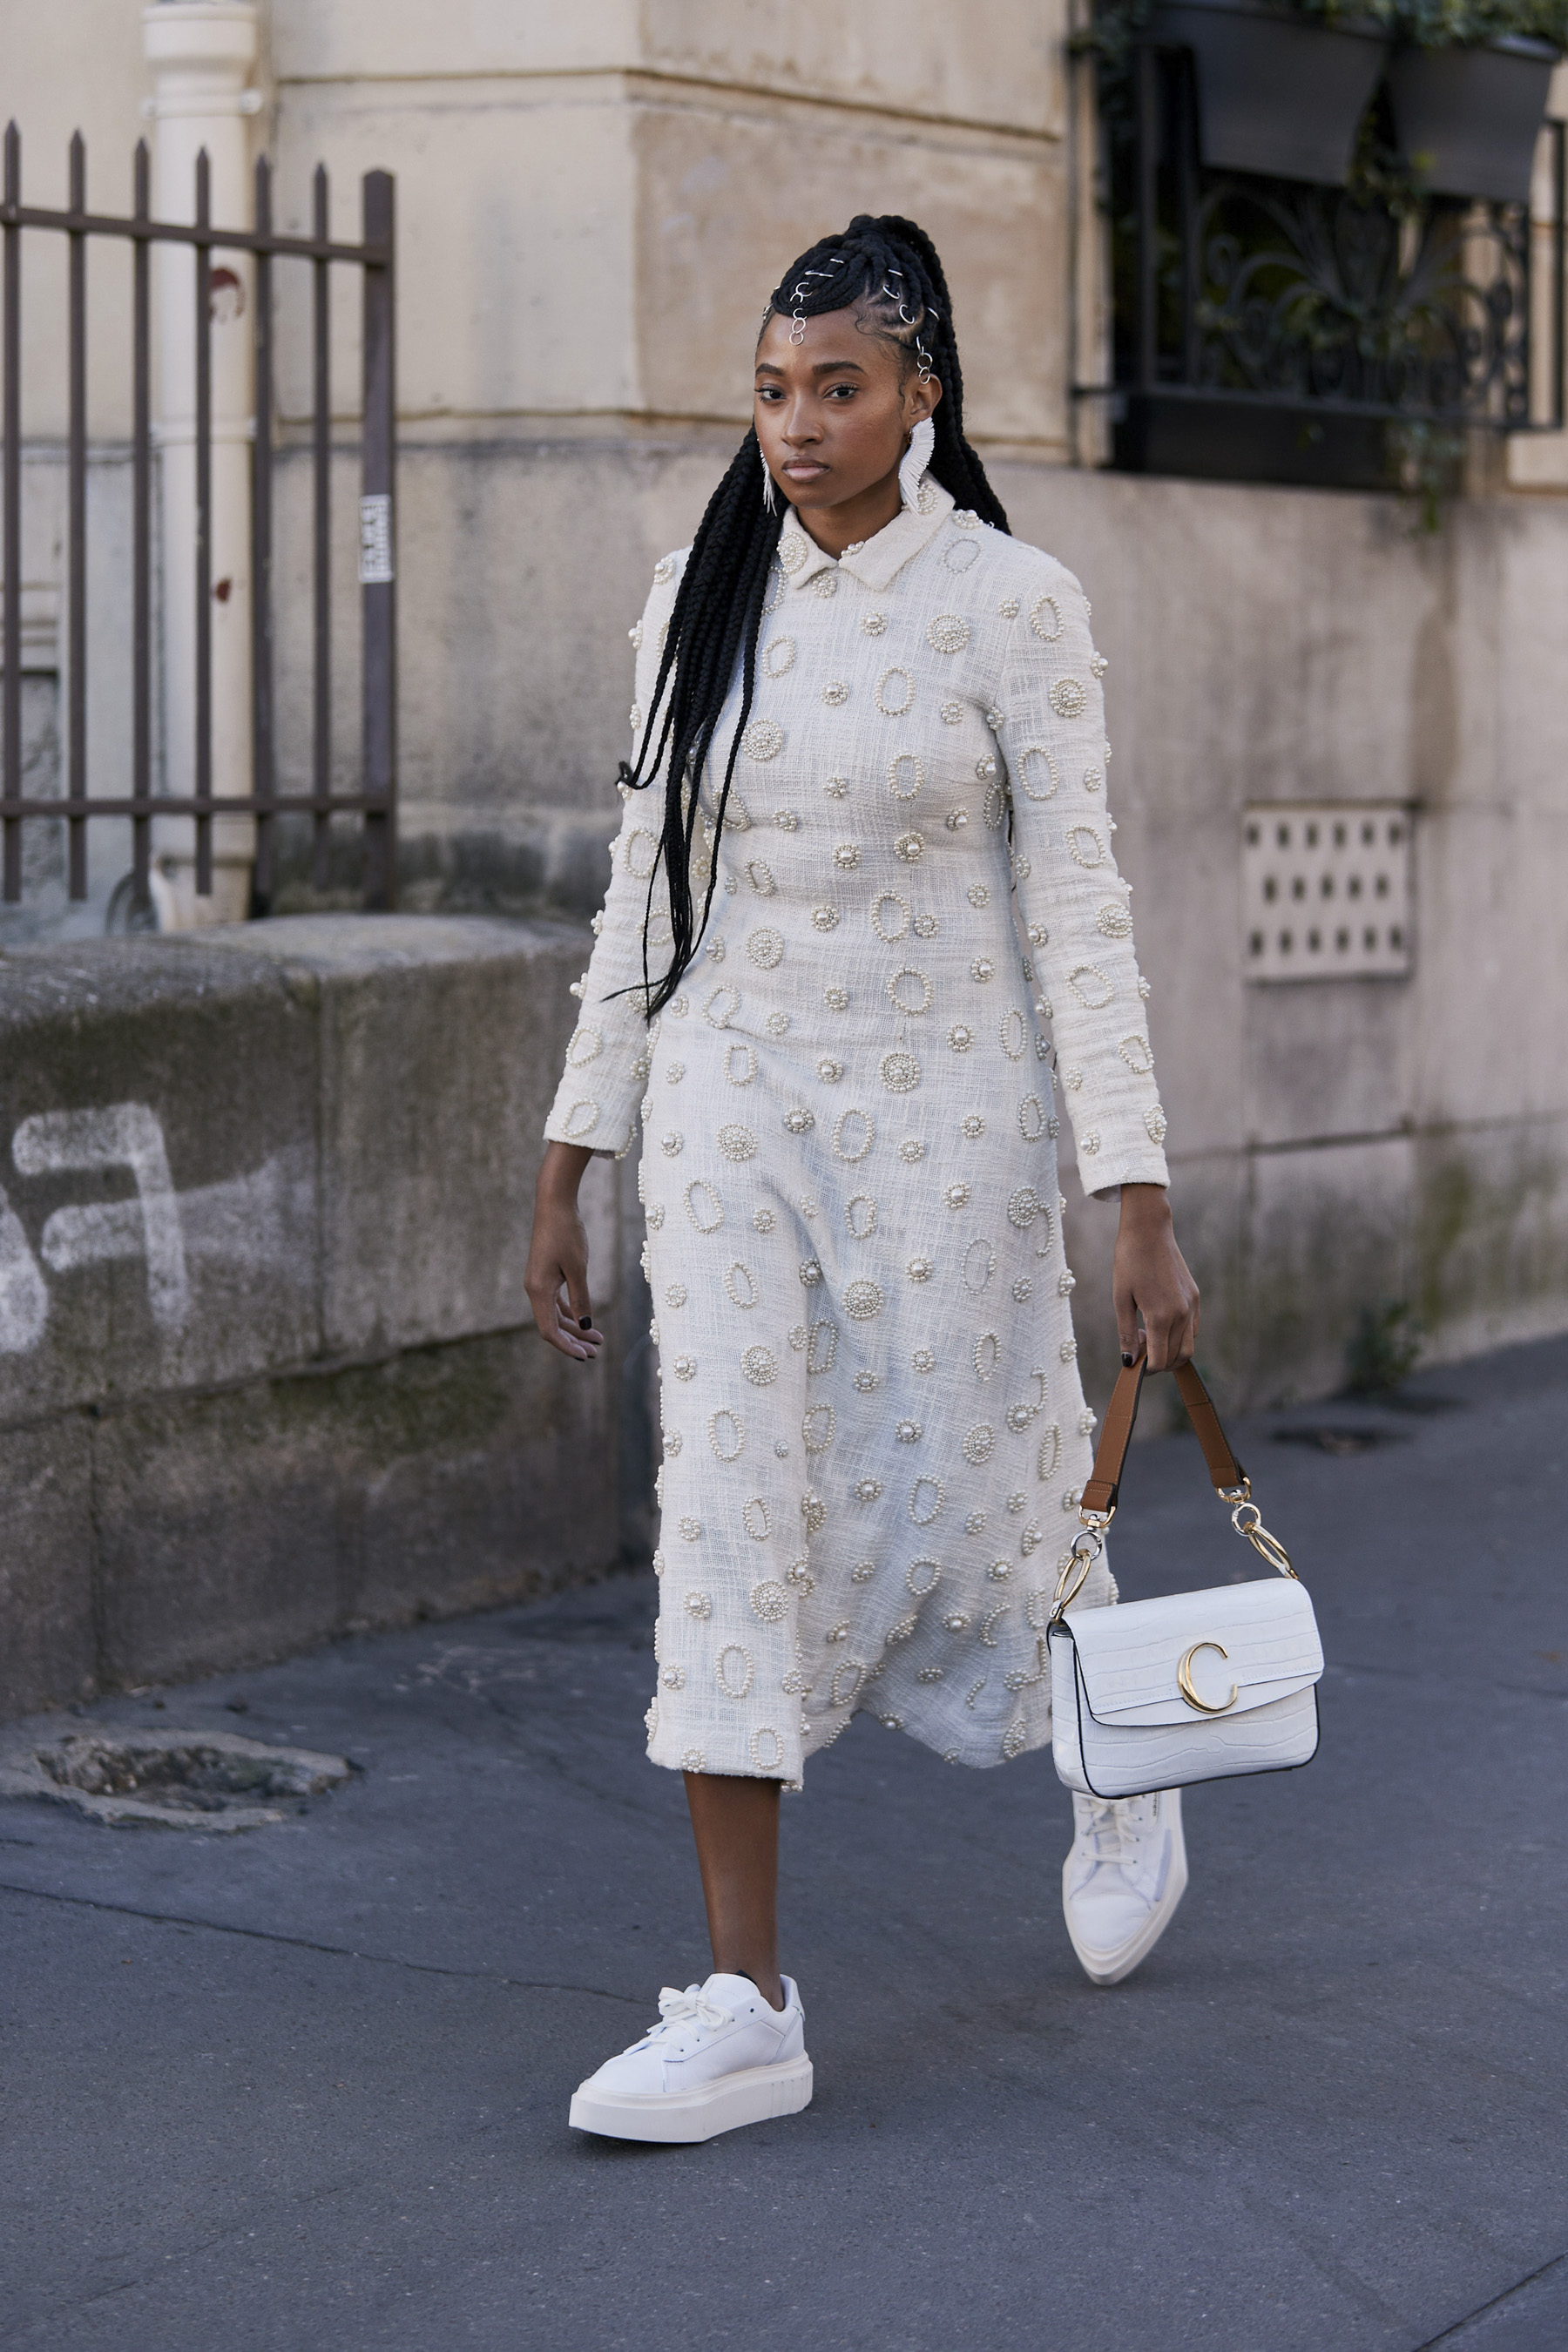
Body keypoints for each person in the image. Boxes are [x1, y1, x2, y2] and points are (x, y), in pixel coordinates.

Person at [524, 215, 1200, 2146]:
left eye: (839, 390)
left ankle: (1117, 1756)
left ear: (921, 396)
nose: (799, 427)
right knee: (726, 1506)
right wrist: (576, 1152)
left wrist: (1130, 1195)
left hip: (948, 1130)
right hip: (734, 1121)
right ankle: (745, 2001)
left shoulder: (1012, 606)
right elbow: (640, 895)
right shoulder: (693, 599)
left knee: (989, 1488)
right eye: (774, 391)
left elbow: (1077, 913)